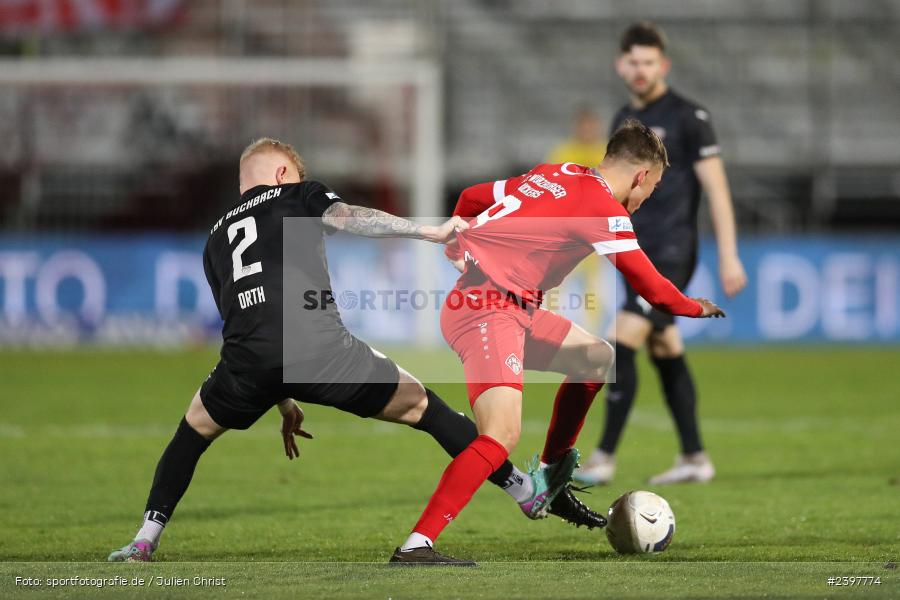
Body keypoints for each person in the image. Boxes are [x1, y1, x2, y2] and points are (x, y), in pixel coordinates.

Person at [107, 138, 604, 563]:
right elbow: (348, 217)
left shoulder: (214, 240)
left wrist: (280, 397)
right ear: (282, 173)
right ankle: (525, 491)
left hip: (248, 363)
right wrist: (424, 230)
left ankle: (143, 540)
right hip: (319, 351)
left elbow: (245, 319)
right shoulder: (297, 192)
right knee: (424, 407)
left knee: (193, 429)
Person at [389, 120, 724, 565]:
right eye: (653, 187)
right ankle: (418, 544)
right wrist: (698, 307)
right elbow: (657, 292)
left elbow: (471, 197)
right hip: (486, 310)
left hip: (508, 308)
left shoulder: (558, 173)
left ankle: (548, 478)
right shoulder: (605, 210)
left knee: (596, 356)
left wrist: (463, 237)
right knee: (500, 436)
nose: (646, 198)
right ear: (641, 176)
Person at [575, 22, 748, 487]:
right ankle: (694, 456)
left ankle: (603, 457)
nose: (640, 70)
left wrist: (729, 255)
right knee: (664, 345)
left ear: (663, 65)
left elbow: (717, 188)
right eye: (632, 61)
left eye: (648, 62)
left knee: (619, 340)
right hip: (632, 251)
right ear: (620, 65)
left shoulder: (691, 118)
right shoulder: (622, 122)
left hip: (672, 251)